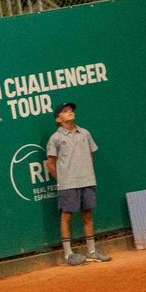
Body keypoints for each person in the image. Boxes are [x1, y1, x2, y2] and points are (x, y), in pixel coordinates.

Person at [46, 102, 110, 265]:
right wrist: (63, 180)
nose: (70, 112)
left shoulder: (85, 133)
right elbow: (50, 165)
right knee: (66, 216)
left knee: (87, 214)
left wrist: (85, 173)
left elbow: (90, 156)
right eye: (65, 111)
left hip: (87, 181)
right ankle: (68, 255)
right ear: (58, 119)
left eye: (71, 110)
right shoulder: (55, 138)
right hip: (68, 184)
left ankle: (92, 251)